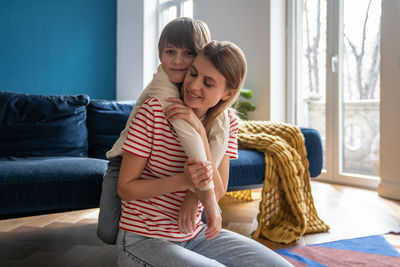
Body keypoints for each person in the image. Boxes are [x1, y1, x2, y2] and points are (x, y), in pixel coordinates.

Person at [116, 41, 292, 266]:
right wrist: (183, 181)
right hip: (143, 240)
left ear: (227, 92)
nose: (194, 86)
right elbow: (125, 188)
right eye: (193, 73)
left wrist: (200, 132)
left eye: (208, 83)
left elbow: (217, 191)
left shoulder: (227, 124)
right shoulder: (154, 111)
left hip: (195, 237)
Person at [97, 17, 228, 244]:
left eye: (188, 53)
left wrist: (193, 194)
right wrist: (205, 196)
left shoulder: (202, 93)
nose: (178, 61)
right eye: (170, 52)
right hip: (123, 159)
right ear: (160, 55)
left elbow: (220, 130)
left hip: (177, 166)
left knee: (193, 225)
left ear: (201, 56)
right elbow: (187, 132)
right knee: (109, 232)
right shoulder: (163, 88)